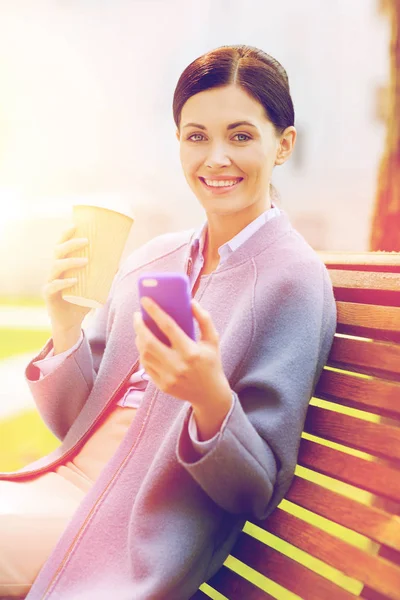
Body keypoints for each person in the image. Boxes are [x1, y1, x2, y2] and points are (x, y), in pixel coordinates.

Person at [0, 44, 337, 600]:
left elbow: (256, 490)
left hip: (132, 531)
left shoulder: (293, 281)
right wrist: (65, 328)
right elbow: (73, 426)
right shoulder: (154, 258)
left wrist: (208, 399)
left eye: (241, 135)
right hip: (67, 487)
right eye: (196, 136)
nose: (216, 158)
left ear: (284, 145)